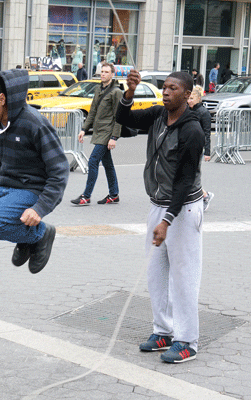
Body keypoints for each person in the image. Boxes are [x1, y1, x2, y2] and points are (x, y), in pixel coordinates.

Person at [117, 70, 204, 363]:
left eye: (173, 88)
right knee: (156, 274)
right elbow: (125, 119)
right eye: (164, 87)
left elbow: (184, 180)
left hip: (183, 209)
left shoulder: (192, 131)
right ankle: (164, 331)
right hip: (158, 205)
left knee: (183, 277)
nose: (166, 92)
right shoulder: (157, 115)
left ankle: (187, 340)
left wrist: (167, 220)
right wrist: (129, 92)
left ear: (188, 94)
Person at [0, 70, 70, 274]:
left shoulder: (34, 122)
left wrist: (40, 208)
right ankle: (24, 238)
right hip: (4, 188)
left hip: (31, 189)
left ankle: (41, 234)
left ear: (1, 99)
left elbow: (60, 170)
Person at [71, 62, 122, 206]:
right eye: (102, 72)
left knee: (93, 161)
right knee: (108, 164)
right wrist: (84, 129)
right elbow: (92, 111)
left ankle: (86, 196)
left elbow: (119, 117)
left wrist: (114, 137)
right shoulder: (99, 89)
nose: (103, 74)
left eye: (106, 72)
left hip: (107, 133)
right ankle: (114, 194)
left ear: (112, 74)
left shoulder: (116, 92)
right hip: (99, 131)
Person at [187, 86, 214, 211]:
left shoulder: (204, 113)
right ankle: (203, 195)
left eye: (192, 98)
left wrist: (207, 152)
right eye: (188, 98)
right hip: (186, 146)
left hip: (197, 148)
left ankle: (205, 195)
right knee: (187, 174)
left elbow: (207, 134)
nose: (189, 101)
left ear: (198, 98)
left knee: (191, 175)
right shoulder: (188, 110)